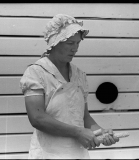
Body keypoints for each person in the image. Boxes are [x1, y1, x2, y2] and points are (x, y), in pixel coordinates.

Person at [20, 14, 119, 159]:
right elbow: (37, 118)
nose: (75, 49)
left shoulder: (79, 75)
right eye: (70, 43)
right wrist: (78, 133)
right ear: (55, 42)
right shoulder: (36, 72)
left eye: (78, 43)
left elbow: (84, 117)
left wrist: (101, 133)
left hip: (77, 153)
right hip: (48, 153)